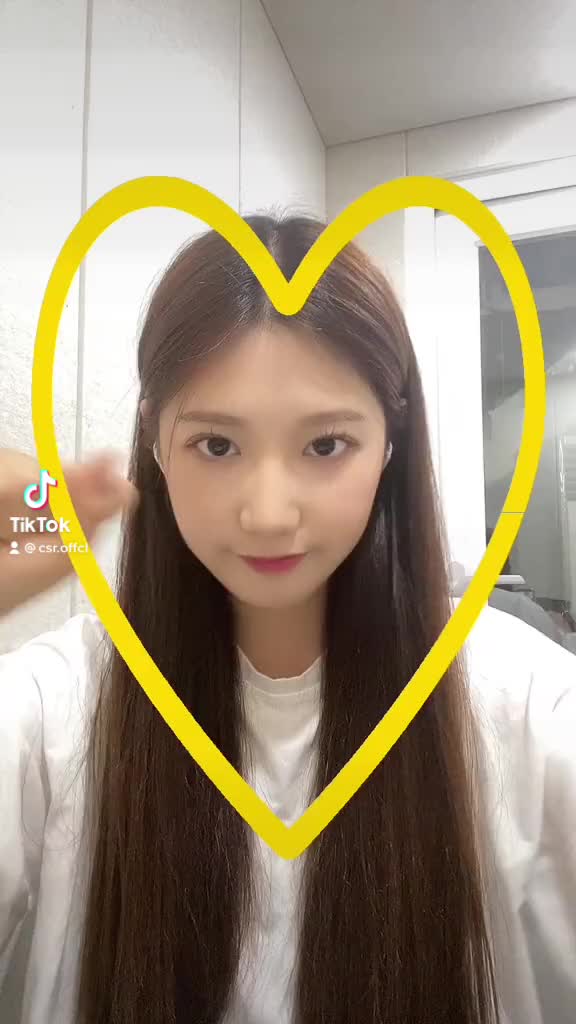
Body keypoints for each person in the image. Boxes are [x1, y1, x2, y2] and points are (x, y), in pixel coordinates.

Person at [0, 214, 575, 1024]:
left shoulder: (524, 700)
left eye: (327, 445)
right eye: (217, 446)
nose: (269, 515)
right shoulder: (56, 709)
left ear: (390, 443)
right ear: (155, 443)